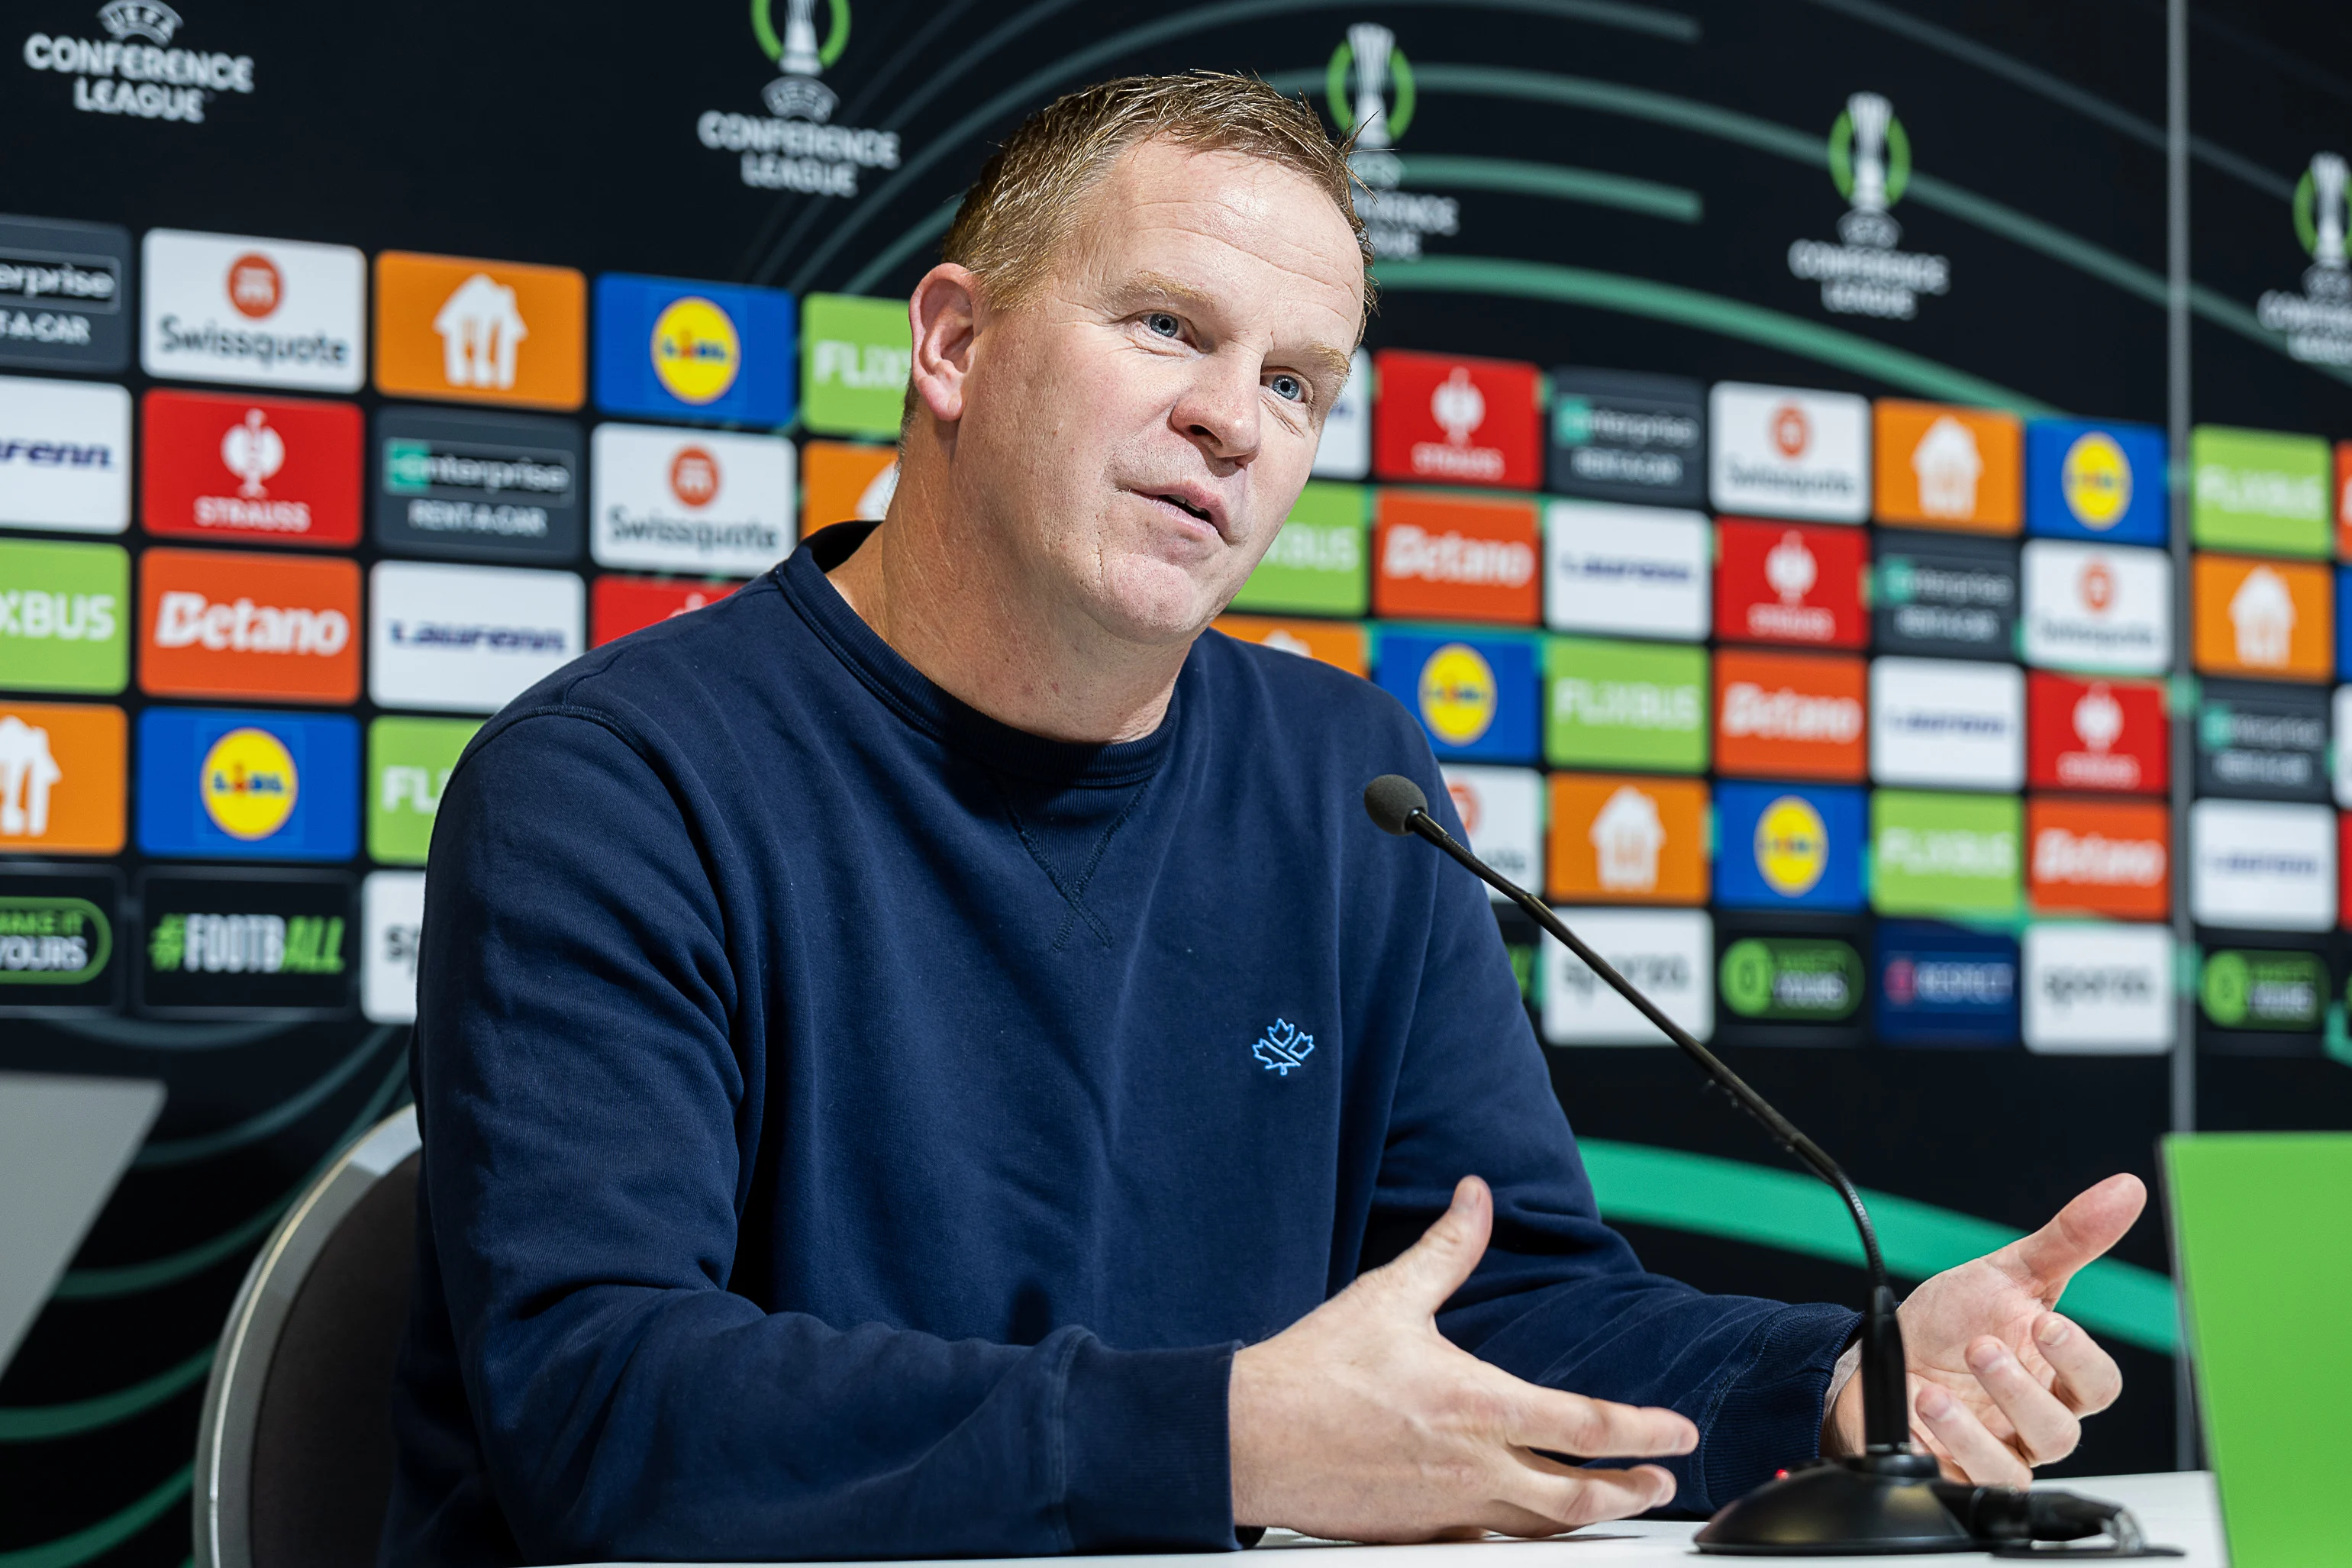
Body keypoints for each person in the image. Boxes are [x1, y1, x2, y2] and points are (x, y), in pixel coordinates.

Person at [382, 72, 2146, 1566]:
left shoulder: (1345, 777)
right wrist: (1221, 1437)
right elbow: (604, 1410)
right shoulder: (616, 784)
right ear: (954, 341)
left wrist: (1847, 1379)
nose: (1232, 419)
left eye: (1298, 383)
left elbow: (1495, 1299)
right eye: (1167, 326)